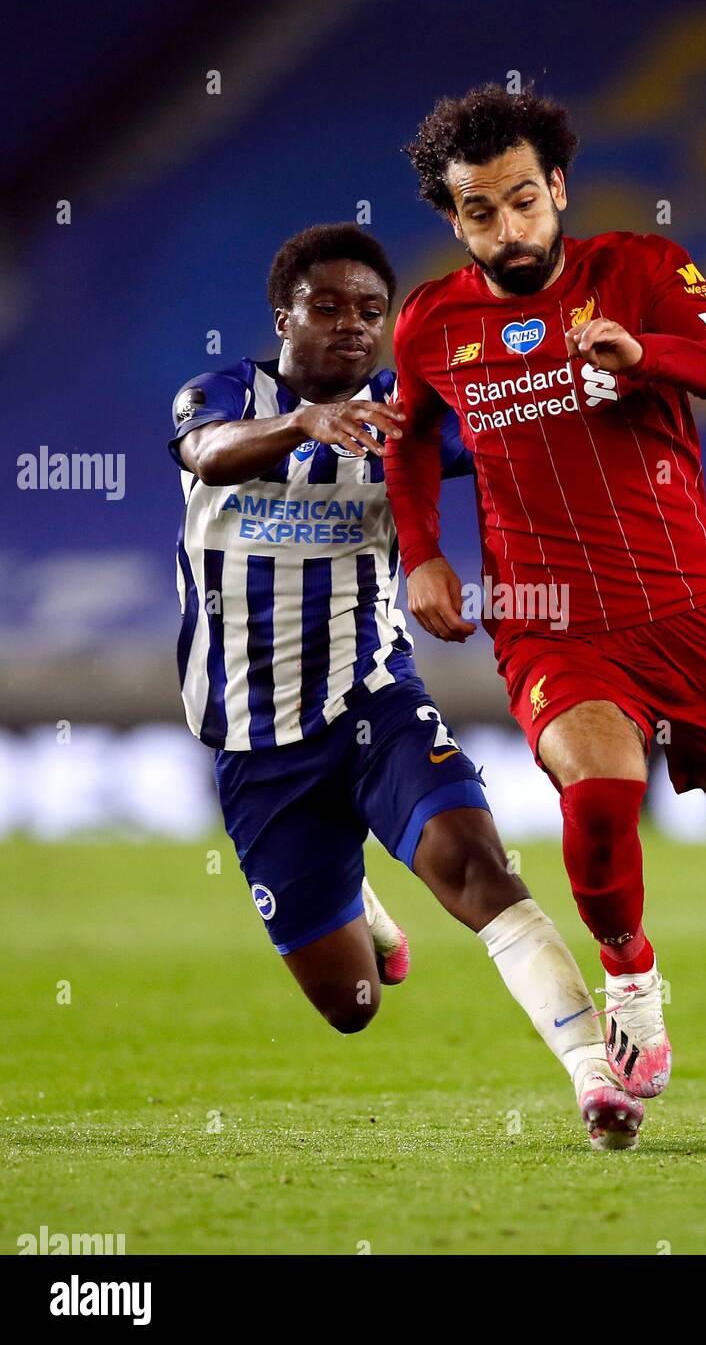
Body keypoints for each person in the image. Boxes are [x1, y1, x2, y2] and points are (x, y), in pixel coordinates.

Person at [384, 85, 706, 1144]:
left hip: (691, 611)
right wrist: (423, 553)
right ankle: (629, 979)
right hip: (553, 623)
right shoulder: (431, 323)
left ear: (556, 187)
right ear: (453, 219)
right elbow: (404, 439)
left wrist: (647, 353)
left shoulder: (639, 270)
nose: (507, 227)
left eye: (523, 200)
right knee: (601, 787)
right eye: (479, 211)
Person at [169, 222, 642, 1152]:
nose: (352, 326)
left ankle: (596, 1077)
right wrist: (303, 423)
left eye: (371, 312)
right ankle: (359, 899)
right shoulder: (222, 392)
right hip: (255, 742)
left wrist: (609, 384)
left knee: (479, 869)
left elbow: (516, 436)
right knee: (351, 1006)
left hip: (372, 699)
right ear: (284, 316)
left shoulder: (405, 410)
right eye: (329, 307)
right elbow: (208, 453)